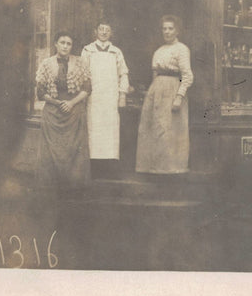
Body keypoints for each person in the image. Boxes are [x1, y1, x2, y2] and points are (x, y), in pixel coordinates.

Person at [136, 15, 193, 174]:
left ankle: (170, 170)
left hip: (172, 91)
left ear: (177, 30)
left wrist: (179, 97)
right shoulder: (159, 51)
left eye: (170, 28)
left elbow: (187, 76)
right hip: (156, 92)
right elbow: (155, 75)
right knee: (153, 128)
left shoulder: (182, 49)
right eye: (164, 28)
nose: (167, 32)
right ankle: (153, 169)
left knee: (169, 131)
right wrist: (152, 94)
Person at [35, 31, 91, 193]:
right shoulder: (46, 63)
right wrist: (58, 102)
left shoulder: (80, 63)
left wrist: (71, 103)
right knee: (51, 149)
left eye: (69, 44)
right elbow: (41, 92)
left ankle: (73, 187)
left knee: (74, 149)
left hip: (74, 111)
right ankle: (50, 188)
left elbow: (87, 88)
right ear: (56, 44)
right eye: (62, 42)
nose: (65, 46)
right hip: (53, 111)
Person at [81, 21, 129, 177]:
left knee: (111, 131)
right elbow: (82, 73)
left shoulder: (116, 52)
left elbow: (123, 74)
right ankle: (94, 168)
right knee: (94, 130)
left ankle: (110, 168)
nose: (103, 32)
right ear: (96, 31)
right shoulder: (88, 50)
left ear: (111, 33)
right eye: (101, 29)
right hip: (93, 98)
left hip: (110, 98)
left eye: (107, 30)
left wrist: (122, 95)